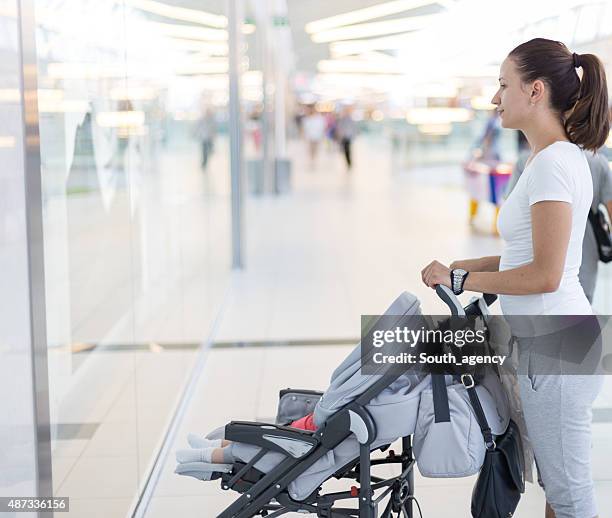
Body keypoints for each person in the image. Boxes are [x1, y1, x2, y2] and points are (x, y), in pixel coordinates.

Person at [421, 38, 609, 518]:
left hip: (558, 347)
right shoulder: (550, 160)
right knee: (555, 482)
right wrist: (460, 268)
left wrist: (464, 282)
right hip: (549, 342)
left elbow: (545, 275)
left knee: (570, 495)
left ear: (535, 91)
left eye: (503, 85)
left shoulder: (553, 164)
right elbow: (522, 257)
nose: (495, 97)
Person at [507, 139, 612, 302]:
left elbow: (513, 211)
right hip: (583, 262)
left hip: (531, 266)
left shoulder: (528, 160)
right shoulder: (597, 161)